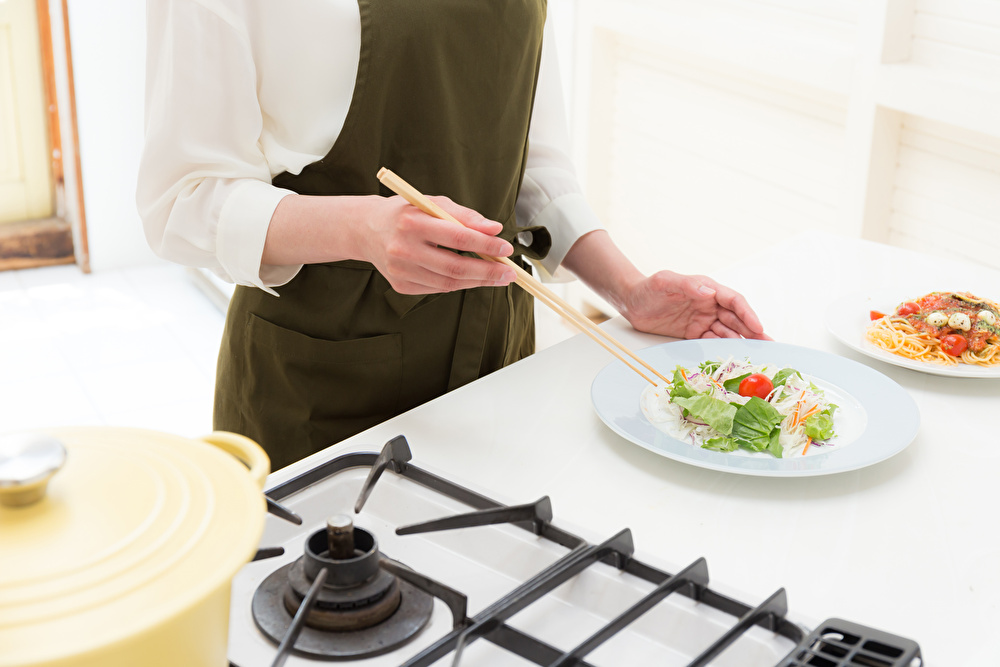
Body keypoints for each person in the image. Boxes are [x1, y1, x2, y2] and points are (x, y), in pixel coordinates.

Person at [137, 0, 769, 470]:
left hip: (499, 363)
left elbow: (530, 166)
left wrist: (630, 292)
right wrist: (365, 228)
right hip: (325, 384)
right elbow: (181, 200)